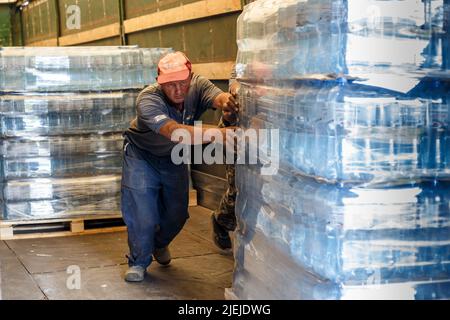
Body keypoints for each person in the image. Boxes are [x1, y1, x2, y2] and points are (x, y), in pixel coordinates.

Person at [121, 51, 239, 282]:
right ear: (159, 82)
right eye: (170, 85)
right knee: (142, 213)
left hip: (173, 157)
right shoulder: (148, 99)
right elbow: (174, 132)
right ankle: (138, 260)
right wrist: (221, 134)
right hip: (142, 156)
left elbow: (219, 98)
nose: (177, 90)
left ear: (190, 77)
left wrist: (230, 102)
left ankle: (160, 244)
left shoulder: (198, 85)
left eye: (181, 83)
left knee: (177, 213)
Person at [211, 70, 240, 253]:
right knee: (238, 187)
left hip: (269, 130)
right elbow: (235, 80)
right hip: (237, 127)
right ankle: (221, 219)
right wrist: (237, 90)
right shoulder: (252, 50)